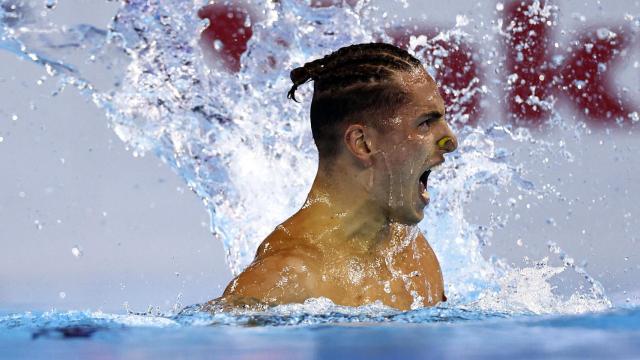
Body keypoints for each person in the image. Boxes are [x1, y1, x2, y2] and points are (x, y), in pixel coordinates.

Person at [210, 42, 458, 311]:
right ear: (362, 143)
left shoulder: (412, 255)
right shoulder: (282, 281)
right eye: (425, 123)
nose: (451, 141)